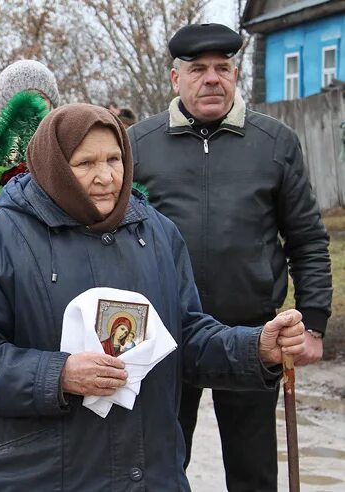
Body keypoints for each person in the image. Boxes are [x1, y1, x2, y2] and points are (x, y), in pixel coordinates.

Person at [0, 103, 307, 491]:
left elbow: (186, 339)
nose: (106, 176)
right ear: (54, 166)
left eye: (115, 159)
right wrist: (59, 374)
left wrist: (256, 347)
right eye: (85, 164)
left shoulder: (157, 233)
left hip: (149, 474)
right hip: (42, 475)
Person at [129, 23, 332, 491]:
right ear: (175, 78)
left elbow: (306, 238)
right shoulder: (139, 144)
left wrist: (315, 322)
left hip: (251, 334)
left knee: (253, 467)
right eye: (197, 69)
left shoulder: (275, 143)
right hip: (163, 336)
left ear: (236, 74)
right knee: (159, 463)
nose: (211, 79)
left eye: (222, 68)